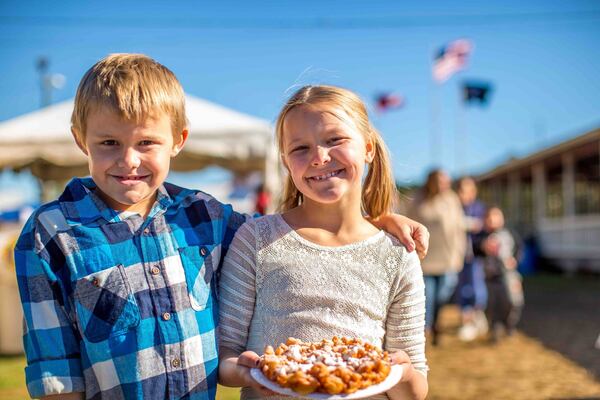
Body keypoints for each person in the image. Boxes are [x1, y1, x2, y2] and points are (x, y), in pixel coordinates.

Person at [14, 55, 429, 400]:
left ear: (178, 140)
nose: (129, 161)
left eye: (146, 143)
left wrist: (378, 224)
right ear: (80, 139)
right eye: (108, 143)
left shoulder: (204, 217)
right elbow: (56, 374)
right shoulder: (50, 234)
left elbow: (305, 236)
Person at [218, 85, 428, 400]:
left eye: (335, 140)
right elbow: (226, 355)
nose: (319, 157)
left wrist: (402, 372)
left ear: (368, 148)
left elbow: (415, 388)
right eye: (300, 148)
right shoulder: (256, 241)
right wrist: (248, 371)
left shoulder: (398, 253)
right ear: (287, 162)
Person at [407, 169, 466, 345]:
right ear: (432, 181)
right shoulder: (417, 199)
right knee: (428, 298)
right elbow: (408, 223)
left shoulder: (452, 199)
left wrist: (460, 254)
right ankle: (427, 330)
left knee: (443, 296)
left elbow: (459, 228)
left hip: (448, 258)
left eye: (447, 181)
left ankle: (436, 325)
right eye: (441, 181)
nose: (445, 184)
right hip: (426, 259)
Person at [473, 206, 524, 342]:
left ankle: (509, 325)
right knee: (493, 305)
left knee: (514, 301)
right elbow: (475, 248)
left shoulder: (509, 234)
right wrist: (483, 246)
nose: (493, 220)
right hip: (491, 278)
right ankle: (495, 329)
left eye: (496, 216)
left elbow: (519, 248)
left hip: (509, 275)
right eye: (489, 218)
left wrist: (515, 260)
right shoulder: (483, 236)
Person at [455, 177, 488, 342]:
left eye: (468, 190)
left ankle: (478, 316)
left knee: (477, 286)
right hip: (458, 256)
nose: (464, 194)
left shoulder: (480, 209)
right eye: (461, 191)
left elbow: (485, 226)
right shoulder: (454, 209)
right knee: (463, 288)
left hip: (475, 256)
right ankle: (465, 321)